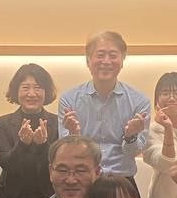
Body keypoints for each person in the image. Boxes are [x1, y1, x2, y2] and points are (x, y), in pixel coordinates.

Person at [59, 31, 150, 182]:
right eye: (100, 55)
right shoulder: (69, 100)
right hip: (83, 180)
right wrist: (74, 135)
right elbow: (67, 153)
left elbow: (134, 152)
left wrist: (130, 137)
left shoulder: (139, 101)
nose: (106, 61)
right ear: (88, 61)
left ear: (122, 61)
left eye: (113, 56)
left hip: (122, 181)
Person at [0, 63, 60, 198]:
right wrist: (22, 144)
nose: (31, 94)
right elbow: (6, 163)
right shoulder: (2, 123)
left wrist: (43, 145)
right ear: (16, 91)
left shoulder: (57, 122)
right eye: (25, 88)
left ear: (46, 92)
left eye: (38, 88)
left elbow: (57, 166)